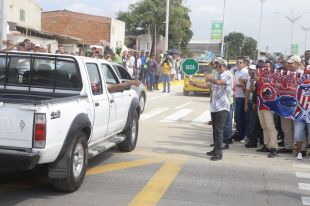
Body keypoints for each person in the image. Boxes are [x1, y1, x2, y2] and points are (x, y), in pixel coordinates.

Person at [190, 58, 232, 161]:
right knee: (215, 129)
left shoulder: (227, 74)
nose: (215, 66)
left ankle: (219, 153)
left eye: (217, 64)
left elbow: (219, 82)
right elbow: (208, 85)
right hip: (215, 106)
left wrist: (209, 78)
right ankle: (215, 149)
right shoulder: (217, 74)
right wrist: (194, 84)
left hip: (223, 106)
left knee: (219, 130)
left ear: (222, 65)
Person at [286, 55, 308, 160]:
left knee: (306, 131)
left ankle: (303, 149)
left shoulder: (303, 73)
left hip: (307, 109)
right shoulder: (292, 74)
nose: (289, 65)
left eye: (291, 63)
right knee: (298, 131)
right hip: (296, 108)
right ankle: (299, 151)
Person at [256, 60, 279, 158]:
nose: (265, 68)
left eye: (267, 66)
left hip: (269, 104)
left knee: (270, 126)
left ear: (272, 67)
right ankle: (267, 145)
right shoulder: (260, 75)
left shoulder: (274, 76)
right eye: (264, 66)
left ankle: (274, 147)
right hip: (260, 102)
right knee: (264, 126)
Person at [233, 57, 249, 142]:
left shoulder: (245, 72)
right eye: (237, 62)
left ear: (244, 64)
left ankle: (242, 135)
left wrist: (238, 85)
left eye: (240, 62)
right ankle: (239, 133)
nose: (238, 64)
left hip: (243, 97)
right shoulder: (236, 72)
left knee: (242, 117)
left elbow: (246, 84)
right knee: (238, 117)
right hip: (237, 95)